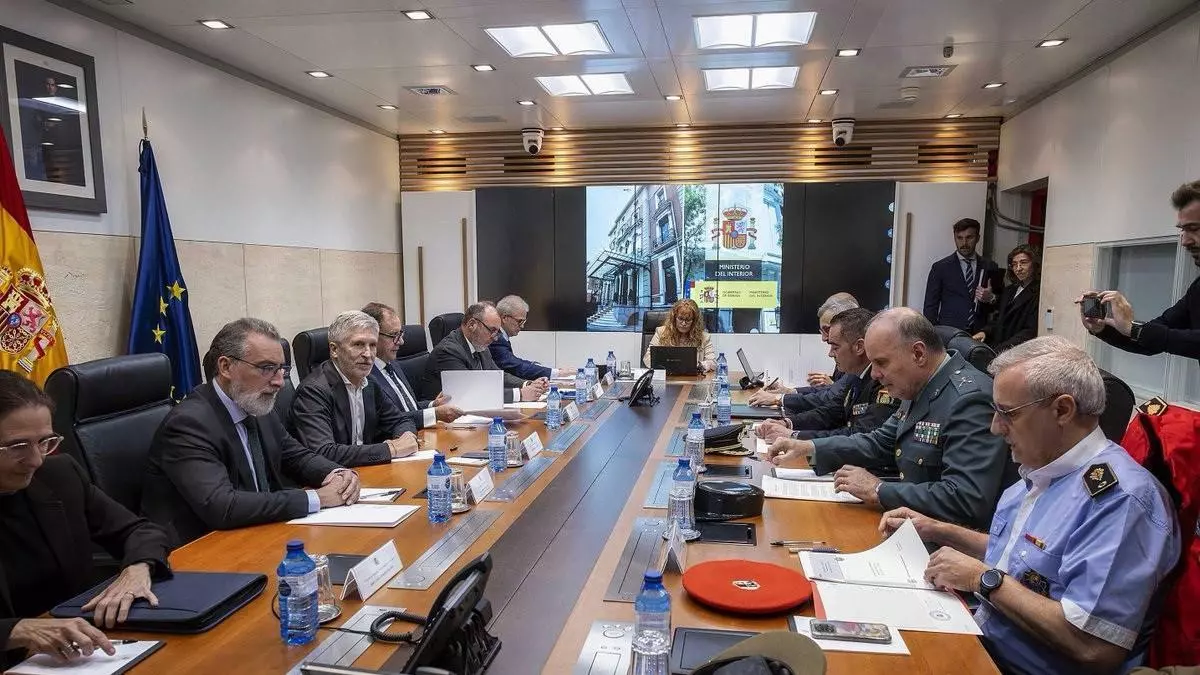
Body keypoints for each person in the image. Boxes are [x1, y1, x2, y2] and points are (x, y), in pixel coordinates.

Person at [880, 336, 1180, 674]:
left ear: (1062, 410)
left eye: (1007, 413)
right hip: (980, 640)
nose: (995, 428)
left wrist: (982, 578)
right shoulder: (1043, 468)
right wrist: (938, 529)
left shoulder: (1119, 501)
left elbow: (1094, 645)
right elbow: (1026, 556)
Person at [769, 308, 1012, 531]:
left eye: (881, 363)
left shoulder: (968, 399)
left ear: (918, 353)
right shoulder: (920, 385)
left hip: (947, 545)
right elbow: (880, 442)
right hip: (909, 526)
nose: (874, 374)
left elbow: (966, 498)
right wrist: (808, 447)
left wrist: (879, 490)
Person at [0, 372, 172, 668]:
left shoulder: (59, 475)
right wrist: (17, 630)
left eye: (44, 442)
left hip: (79, 654)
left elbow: (140, 530)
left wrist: (137, 568)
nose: (36, 460)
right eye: (18, 446)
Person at [142, 318, 361, 546]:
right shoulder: (189, 424)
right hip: (200, 547)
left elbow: (295, 456)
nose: (279, 382)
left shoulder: (255, 403)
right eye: (266, 368)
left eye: (281, 369)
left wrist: (336, 474)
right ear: (226, 367)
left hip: (256, 531)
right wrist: (316, 498)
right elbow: (222, 506)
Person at [1079, 181, 1200, 363]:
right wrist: (1102, 327)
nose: (1185, 241)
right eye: (1183, 230)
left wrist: (1135, 329)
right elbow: (1150, 340)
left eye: (1194, 229)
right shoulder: (1197, 289)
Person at [289, 311, 420, 467]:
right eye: (358, 345)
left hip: (367, 470)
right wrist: (391, 449)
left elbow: (401, 420)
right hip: (332, 476)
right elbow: (323, 452)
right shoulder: (313, 391)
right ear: (334, 350)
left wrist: (406, 437)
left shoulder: (369, 383)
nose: (368, 354)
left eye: (372, 345)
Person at [755, 308, 900, 443]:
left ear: (859, 347)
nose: (830, 353)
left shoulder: (883, 382)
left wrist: (794, 436)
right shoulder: (855, 375)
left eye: (835, 347)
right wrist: (788, 423)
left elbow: (859, 435)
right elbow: (831, 412)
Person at [360, 303, 461, 429]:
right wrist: (434, 414)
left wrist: (433, 404)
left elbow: (408, 407)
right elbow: (387, 421)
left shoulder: (392, 363)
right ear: (372, 336)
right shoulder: (365, 375)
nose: (401, 342)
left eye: (400, 334)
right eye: (394, 335)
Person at [421, 302, 547, 403]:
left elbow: (496, 375)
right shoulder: (448, 351)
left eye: (497, 332)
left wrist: (527, 384)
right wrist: (520, 394)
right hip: (441, 421)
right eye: (492, 330)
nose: (495, 338)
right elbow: (470, 393)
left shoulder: (480, 344)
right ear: (472, 324)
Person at [749, 294, 859, 407]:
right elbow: (832, 393)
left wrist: (779, 399)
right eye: (822, 331)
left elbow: (832, 397)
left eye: (827, 329)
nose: (824, 338)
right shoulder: (842, 351)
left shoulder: (853, 357)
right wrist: (789, 392)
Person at [923, 218, 1000, 332]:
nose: (964, 243)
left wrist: (991, 298)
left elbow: (1002, 303)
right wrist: (934, 334)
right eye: (959, 238)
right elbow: (930, 307)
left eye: (969, 237)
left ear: (978, 238)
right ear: (954, 238)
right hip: (949, 333)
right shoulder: (940, 268)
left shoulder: (990, 266)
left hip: (981, 333)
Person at [973, 244, 1041, 352]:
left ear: (1035, 264)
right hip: (998, 348)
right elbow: (998, 319)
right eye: (1014, 264)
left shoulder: (1039, 292)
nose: (1018, 268)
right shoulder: (1010, 290)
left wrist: (1000, 350)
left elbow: (1029, 332)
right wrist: (985, 332)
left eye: (1023, 263)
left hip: (1015, 351)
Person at [491, 295, 571, 380]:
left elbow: (514, 361)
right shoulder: (496, 338)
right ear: (504, 318)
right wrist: (556, 373)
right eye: (520, 321)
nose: (522, 326)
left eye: (524, 322)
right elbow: (515, 366)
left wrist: (534, 365)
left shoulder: (502, 336)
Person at [643, 298, 716, 371]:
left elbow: (713, 363)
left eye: (688, 320)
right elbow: (648, 358)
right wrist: (667, 365)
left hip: (692, 377)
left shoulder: (704, 337)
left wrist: (699, 366)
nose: (683, 323)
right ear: (674, 318)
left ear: (694, 321)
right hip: (667, 375)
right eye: (680, 319)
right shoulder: (661, 332)